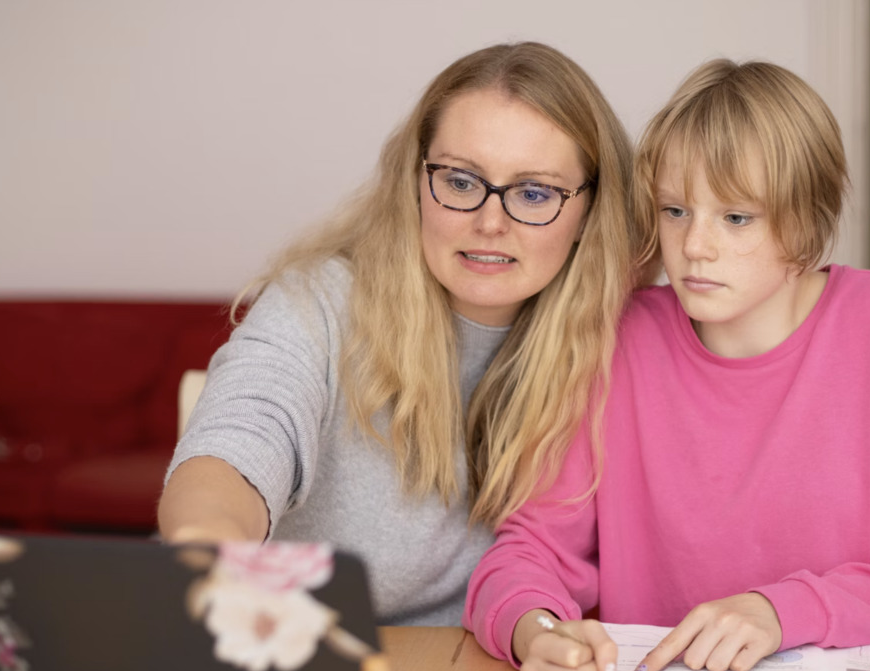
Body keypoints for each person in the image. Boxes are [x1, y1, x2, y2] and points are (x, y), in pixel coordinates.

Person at [464, 58, 870, 671]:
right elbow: (527, 553)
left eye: (736, 218)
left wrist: (782, 611)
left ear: (805, 223)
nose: (695, 245)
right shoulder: (618, 338)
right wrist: (540, 634)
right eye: (676, 210)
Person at [158, 42, 644, 626]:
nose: (491, 222)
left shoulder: (623, 340)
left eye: (534, 193)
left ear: (590, 208)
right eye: (462, 182)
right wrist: (209, 545)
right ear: (414, 181)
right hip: (287, 651)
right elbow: (239, 438)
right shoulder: (320, 303)